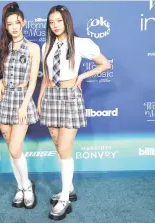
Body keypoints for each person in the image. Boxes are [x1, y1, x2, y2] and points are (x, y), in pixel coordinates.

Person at [37, 5, 111, 220]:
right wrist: (41, 100)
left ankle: (64, 200)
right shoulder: (46, 46)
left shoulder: (81, 43)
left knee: (64, 147)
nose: (55, 25)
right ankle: (67, 188)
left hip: (70, 97)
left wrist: (82, 77)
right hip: (50, 97)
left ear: (66, 21)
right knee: (59, 148)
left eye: (58, 21)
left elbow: (105, 64)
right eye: (51, 22)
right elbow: (47, 77)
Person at [0, 1, 39, 210]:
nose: (14, 27)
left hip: (22, 100)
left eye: (17, 22)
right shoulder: (4, 47)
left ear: (23, 23)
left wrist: (24, 104)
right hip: (3, 101)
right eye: (10, 24)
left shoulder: (33, 48)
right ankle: (20, 187)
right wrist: (0, 81)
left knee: (15, 147)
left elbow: (33, 80)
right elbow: (0, 73)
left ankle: (27, 186)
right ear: (6, 27)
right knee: (11, 149)